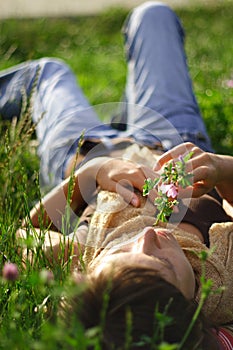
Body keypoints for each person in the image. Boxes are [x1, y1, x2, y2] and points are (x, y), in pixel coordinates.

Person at [1, 1, 233, 348]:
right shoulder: (220, 277)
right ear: (192, 307)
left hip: (82, 150)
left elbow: (22, 238)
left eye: (124, 255)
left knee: (48, 72)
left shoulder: (88, 257)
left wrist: (94, 172)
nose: (148, 239)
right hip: (172, 138)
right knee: (153, 15)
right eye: (164, 266)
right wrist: (223, 169)